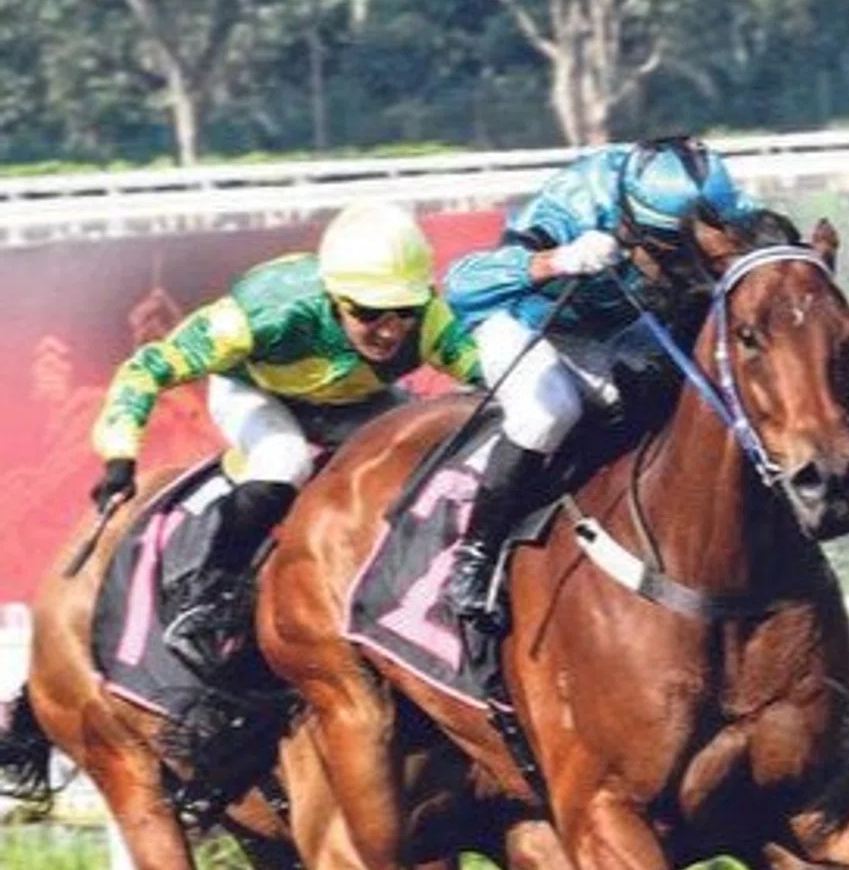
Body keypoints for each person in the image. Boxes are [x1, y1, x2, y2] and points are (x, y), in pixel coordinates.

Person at [88, 199, 482, 669]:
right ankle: (207, 592)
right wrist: (119, 457)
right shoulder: (266, 314)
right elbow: (146, 369)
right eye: (369, 313)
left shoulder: (434, 324)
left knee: (430, 455)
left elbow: (497, 377)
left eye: (404, 311)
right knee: (284, 458)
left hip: (357, 401)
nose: (388, 331)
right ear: (335, 297)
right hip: (257, 392)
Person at [440, 134, 758, 628]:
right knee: (548, 413)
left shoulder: (728, 203)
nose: (681, 266)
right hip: (527, 320)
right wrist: (555, 261)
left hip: (619, 329)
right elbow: (461, 282)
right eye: (669, 249)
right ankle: (475, 557)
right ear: (628, 218)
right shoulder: (574, 203)